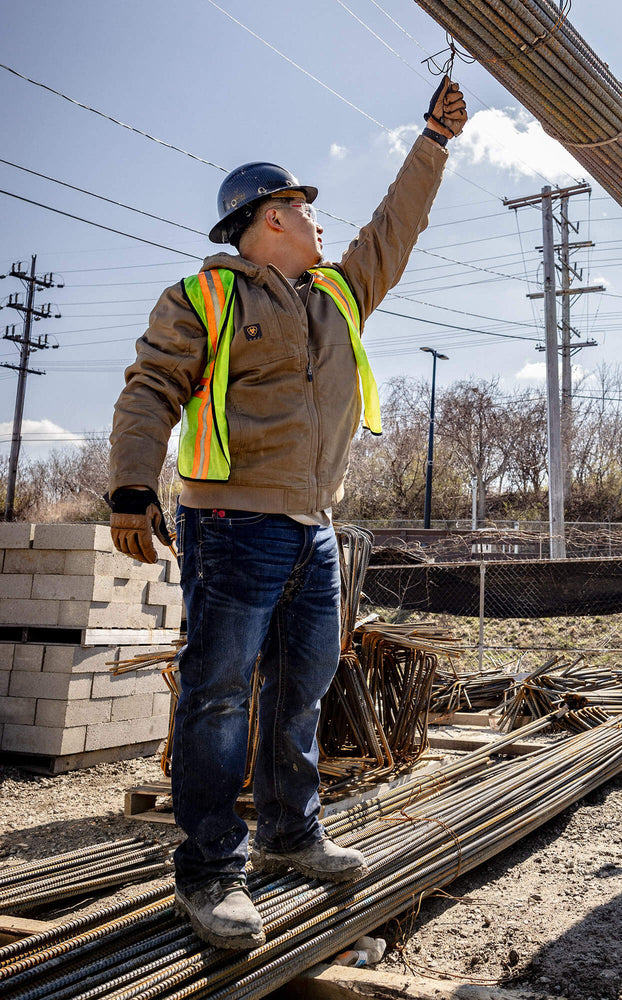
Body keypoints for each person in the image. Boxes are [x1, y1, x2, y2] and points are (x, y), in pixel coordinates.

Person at [106, 79, 467, 950]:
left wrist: (433, 142)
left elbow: (395, 229)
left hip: (314, 527)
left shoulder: (338, 297)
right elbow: (151, 386)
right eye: (305, 209)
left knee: (300, 688)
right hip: (231, 525)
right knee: (220, 694)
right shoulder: (206, 299)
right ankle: (207, 869)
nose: (317, 223)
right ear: (269, 219)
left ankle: (290, 834)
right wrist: (129, 487)